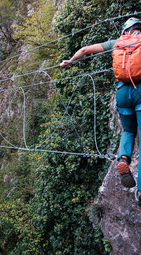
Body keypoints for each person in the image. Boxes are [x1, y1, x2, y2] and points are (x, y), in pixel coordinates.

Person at [60, 17, 141, 209]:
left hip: (122, 92)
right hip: (140, 91)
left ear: (125, 30)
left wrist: (69, 61)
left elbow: (86, 49)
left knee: (128, 131)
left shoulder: (118, 43)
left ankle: (123, 159)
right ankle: (140, 191)